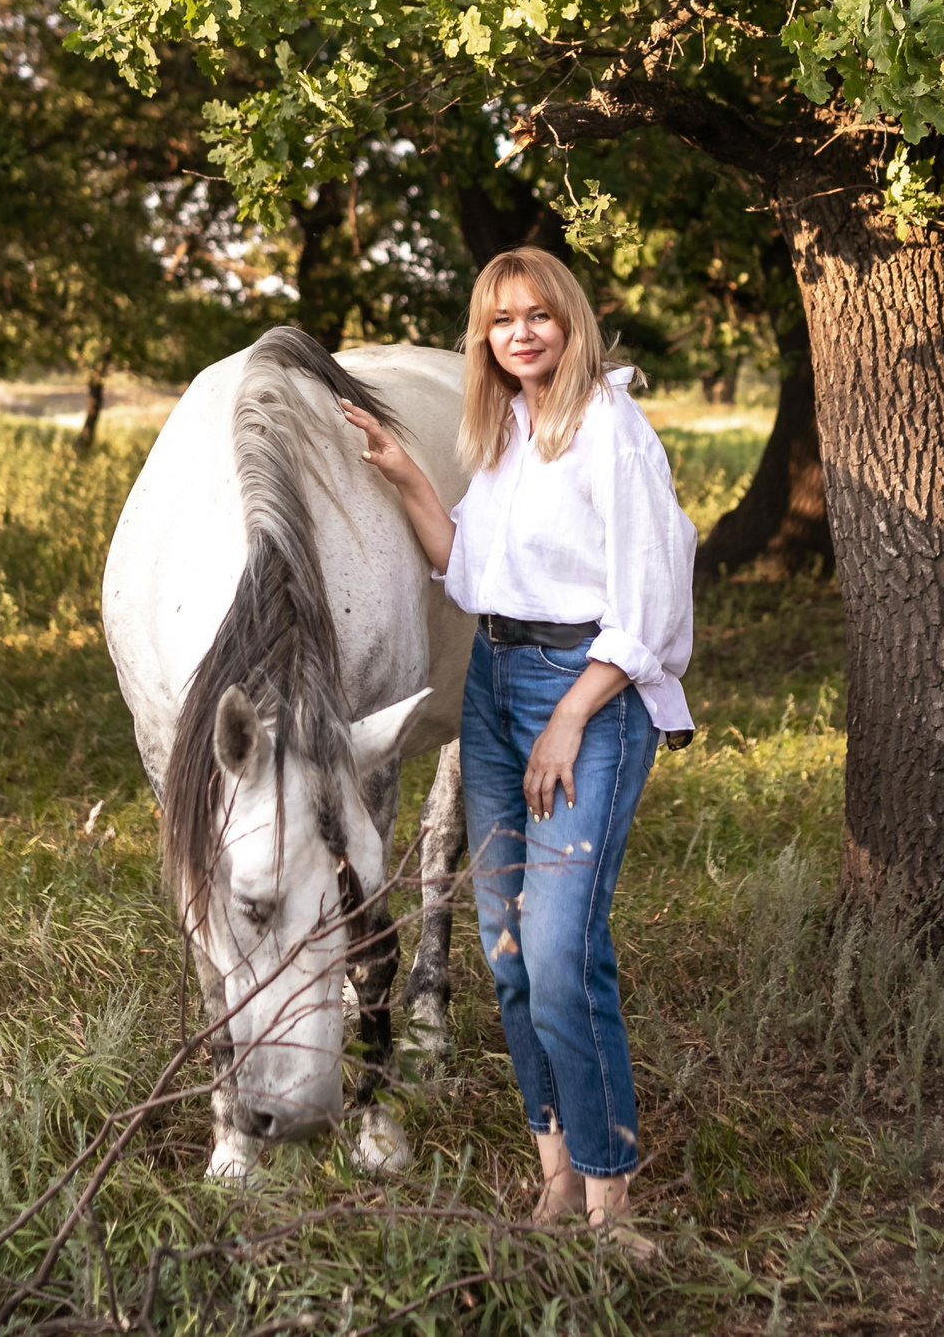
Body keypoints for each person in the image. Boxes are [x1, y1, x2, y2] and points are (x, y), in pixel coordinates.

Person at [340, 247, 695, 1247]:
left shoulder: (610, 430)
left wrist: (573, 715)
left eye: (539, 315)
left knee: (557, 947)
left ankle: (610, 1197)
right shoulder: (504, 430)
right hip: (495, 683)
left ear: (569, 321)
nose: (523, 333)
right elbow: (466, 569)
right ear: (485, 339)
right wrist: (407, 473)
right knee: (503, 949)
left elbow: (653, 603)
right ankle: (554, 1173)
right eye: (503, 322)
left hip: (586, 690)